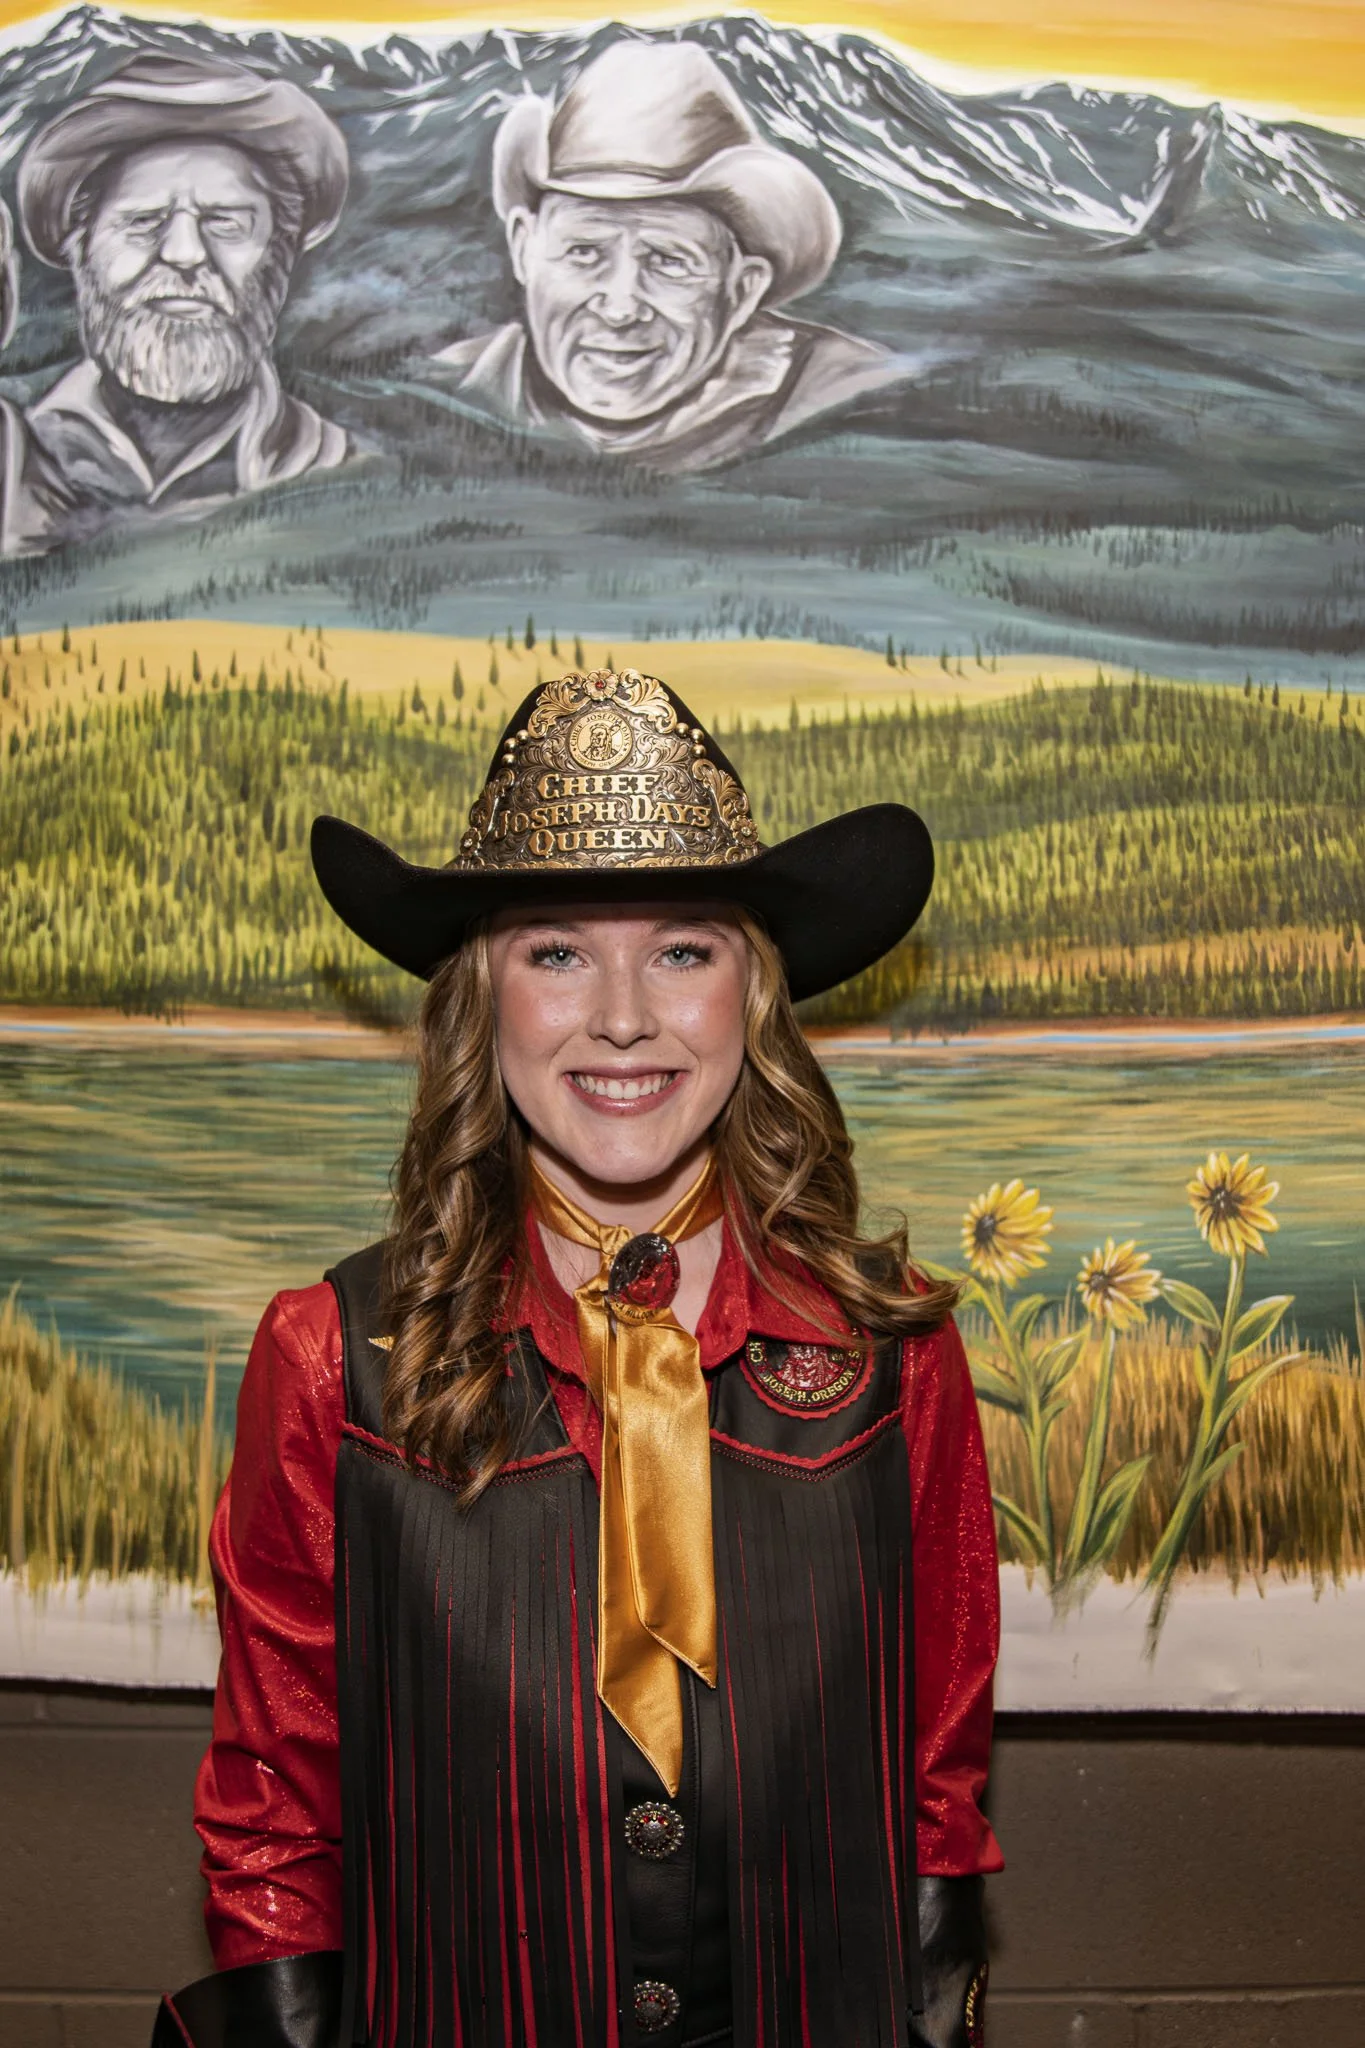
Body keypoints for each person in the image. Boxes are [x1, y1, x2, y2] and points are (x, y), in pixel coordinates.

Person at [154, 666, 1001, 2047]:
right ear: (482, 999)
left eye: (682, 948)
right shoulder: (327, 1364)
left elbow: (936, 1789)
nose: (621, 1014)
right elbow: (274, 1818)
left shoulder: (898, 1360)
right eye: (554, 950)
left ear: (755, 995)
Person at [432, 42, 908, 472]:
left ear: (742, 290)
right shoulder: (444, 390)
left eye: (666, 261)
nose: (620, 309)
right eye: (583, 252)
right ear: (524, 249)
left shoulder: (854, 400)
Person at [9, 53, 349, 549]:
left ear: (280, 253)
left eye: (226, 222)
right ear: (81, 252)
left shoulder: (339, 471)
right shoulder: (18, 465)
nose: (185, 253)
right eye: (143, 221)